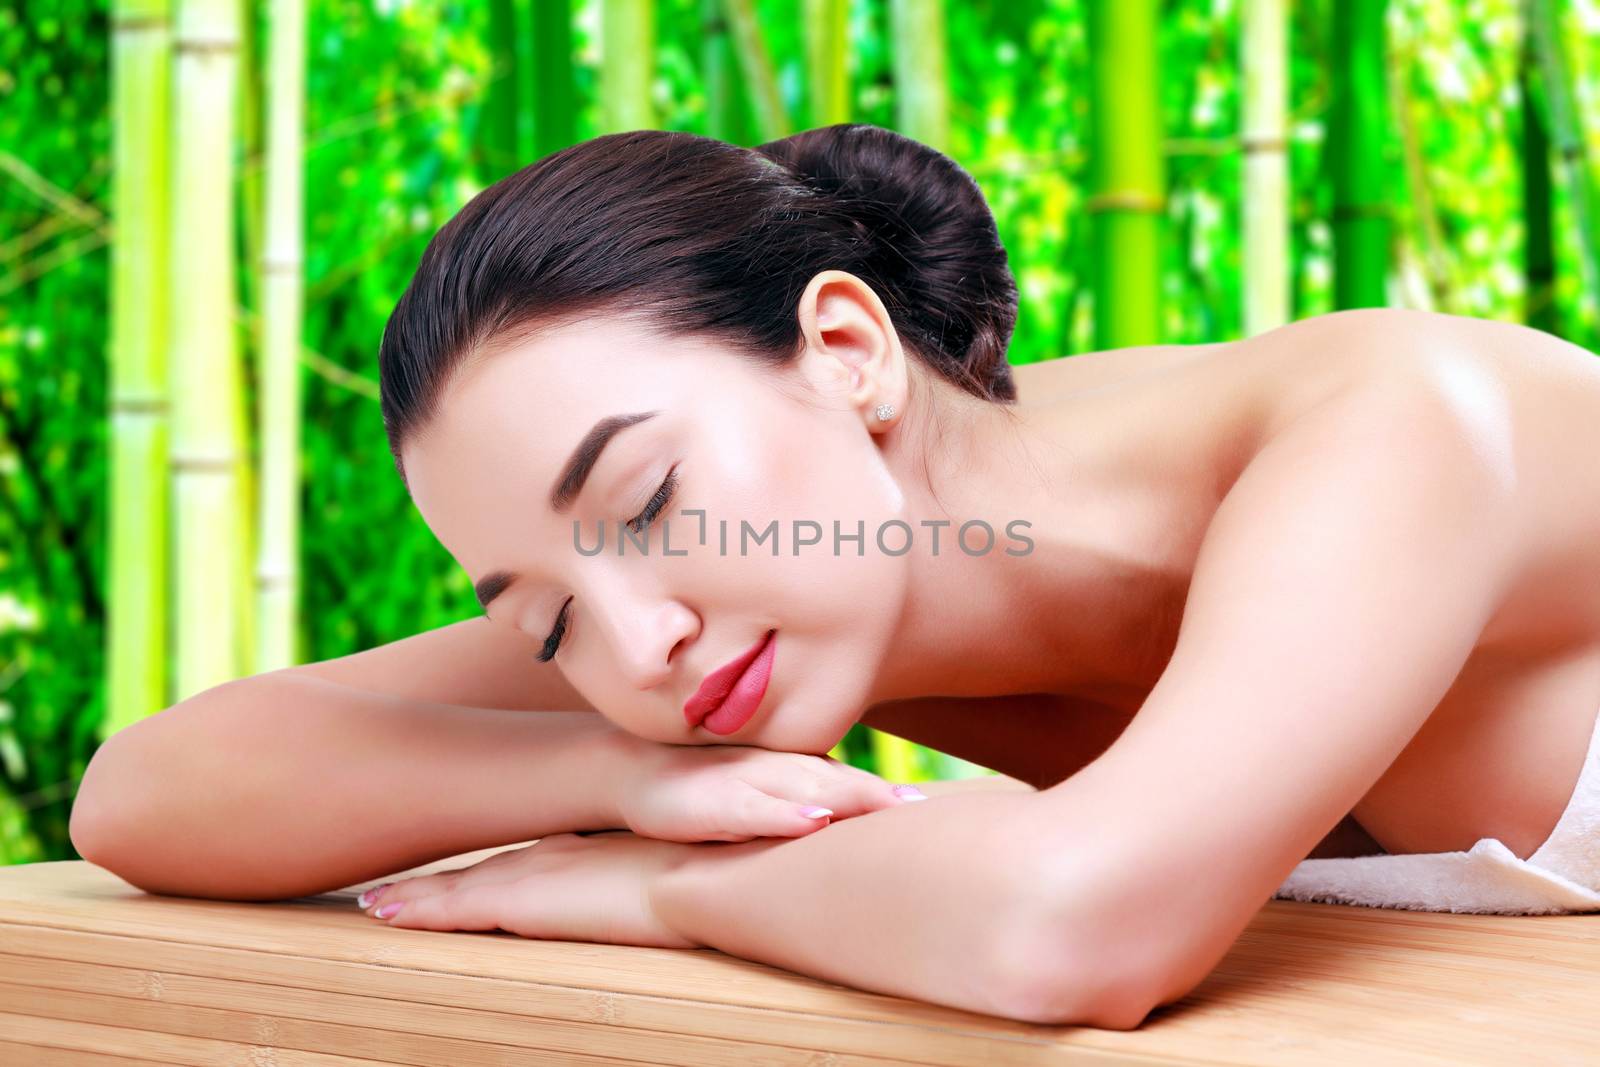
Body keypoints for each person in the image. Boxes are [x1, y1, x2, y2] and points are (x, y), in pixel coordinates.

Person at [80, 122, 1600, 1029]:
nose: (635, 647)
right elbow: (147, 792)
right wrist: (627, 780)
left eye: (646, 498)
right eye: (544, 623)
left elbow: (1074, 927)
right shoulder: (758, 599)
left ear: (850, 350)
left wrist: (658, 888)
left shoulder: (1395, 428)